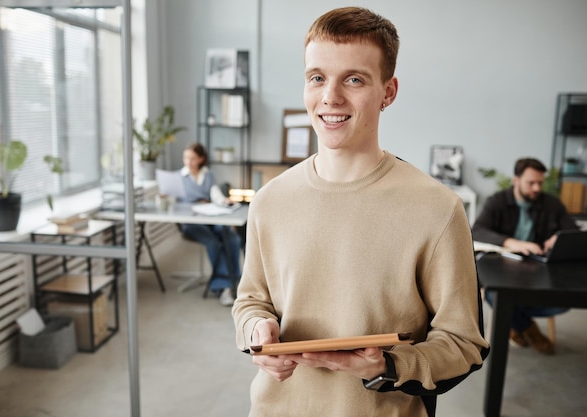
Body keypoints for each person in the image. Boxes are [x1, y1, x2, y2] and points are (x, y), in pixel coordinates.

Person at [231, 7, 488, 417]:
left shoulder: (438, 208)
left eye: (353, 79)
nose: (330, 97)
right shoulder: (270, 199)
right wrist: (255, 333)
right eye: (317, 77)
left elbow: (463, 343)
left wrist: (388, 365)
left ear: (389, 92)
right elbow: (251, 301)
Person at [472, 157, 578, 354]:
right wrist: (512, 242)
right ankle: (529, 329)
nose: (537, 188)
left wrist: (558, 237)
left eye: (540, 182)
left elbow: (572, 231)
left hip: (538, 269)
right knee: (496, 295)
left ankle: (514, 324)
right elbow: (477, 230)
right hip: (502, 268)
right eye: (531, 183)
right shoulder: (497, 201)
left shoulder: (552, 204)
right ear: (516, 181)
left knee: (563, 303)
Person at [178, 143, 242, 306]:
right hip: (191, 223)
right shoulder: (179, 177)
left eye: (192, 158)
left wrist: (224, 200)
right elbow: (175, 203)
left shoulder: (208, 175)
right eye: (186, 158)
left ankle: (237, 281)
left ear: (201, 159)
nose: (188, 161)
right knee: (214, 243)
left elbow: (215, 195)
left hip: (210, 219)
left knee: (232, 238)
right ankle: (224, 287)